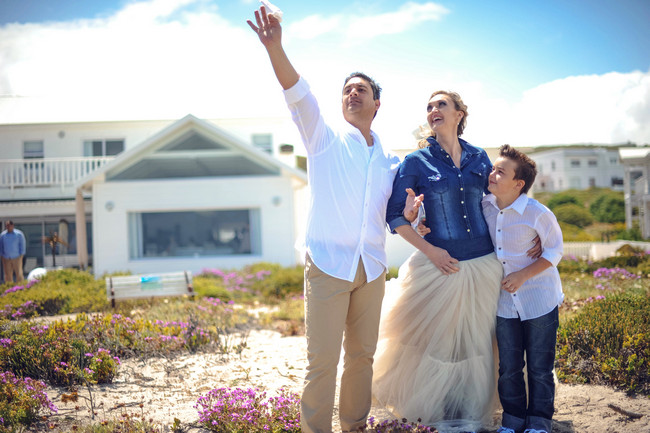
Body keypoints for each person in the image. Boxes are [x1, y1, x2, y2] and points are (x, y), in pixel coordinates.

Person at [247, 5, 401, 433]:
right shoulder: (324, 140)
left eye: (361, 90)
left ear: (377, 103)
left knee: (362, 359)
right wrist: (275, 47)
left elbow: (398, 212)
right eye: (347, 90)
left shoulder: (391, 162)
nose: (352, 95)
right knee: (323, 362)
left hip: (371, 268)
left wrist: (412, 214)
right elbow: (299, 93)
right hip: (328, 266)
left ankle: (353, 427)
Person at [373, 90, 539, 433]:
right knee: (436, 344)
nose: (434, 110)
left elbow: (505, 201)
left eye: (441, 105)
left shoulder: (481, 159)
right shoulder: (415, 162)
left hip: (483, 265)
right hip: (436, 266)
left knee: (477, 344)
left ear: (459, 114)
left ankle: (467, 411)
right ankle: (439, 413)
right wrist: (428, 246)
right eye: (429, 106)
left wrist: (534, 233)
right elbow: (395, 217)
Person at [482, 145, 564, 433]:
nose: (491, 174)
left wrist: (524, 275)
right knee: (509, 368)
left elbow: (555, 251)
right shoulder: (485, 207)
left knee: (541, 368)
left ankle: (540, 422)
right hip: (504, 302)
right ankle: (513, 420)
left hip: (539, 298)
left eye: (500, 171)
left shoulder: (537, 213)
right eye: (493, 168)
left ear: (518, 184)